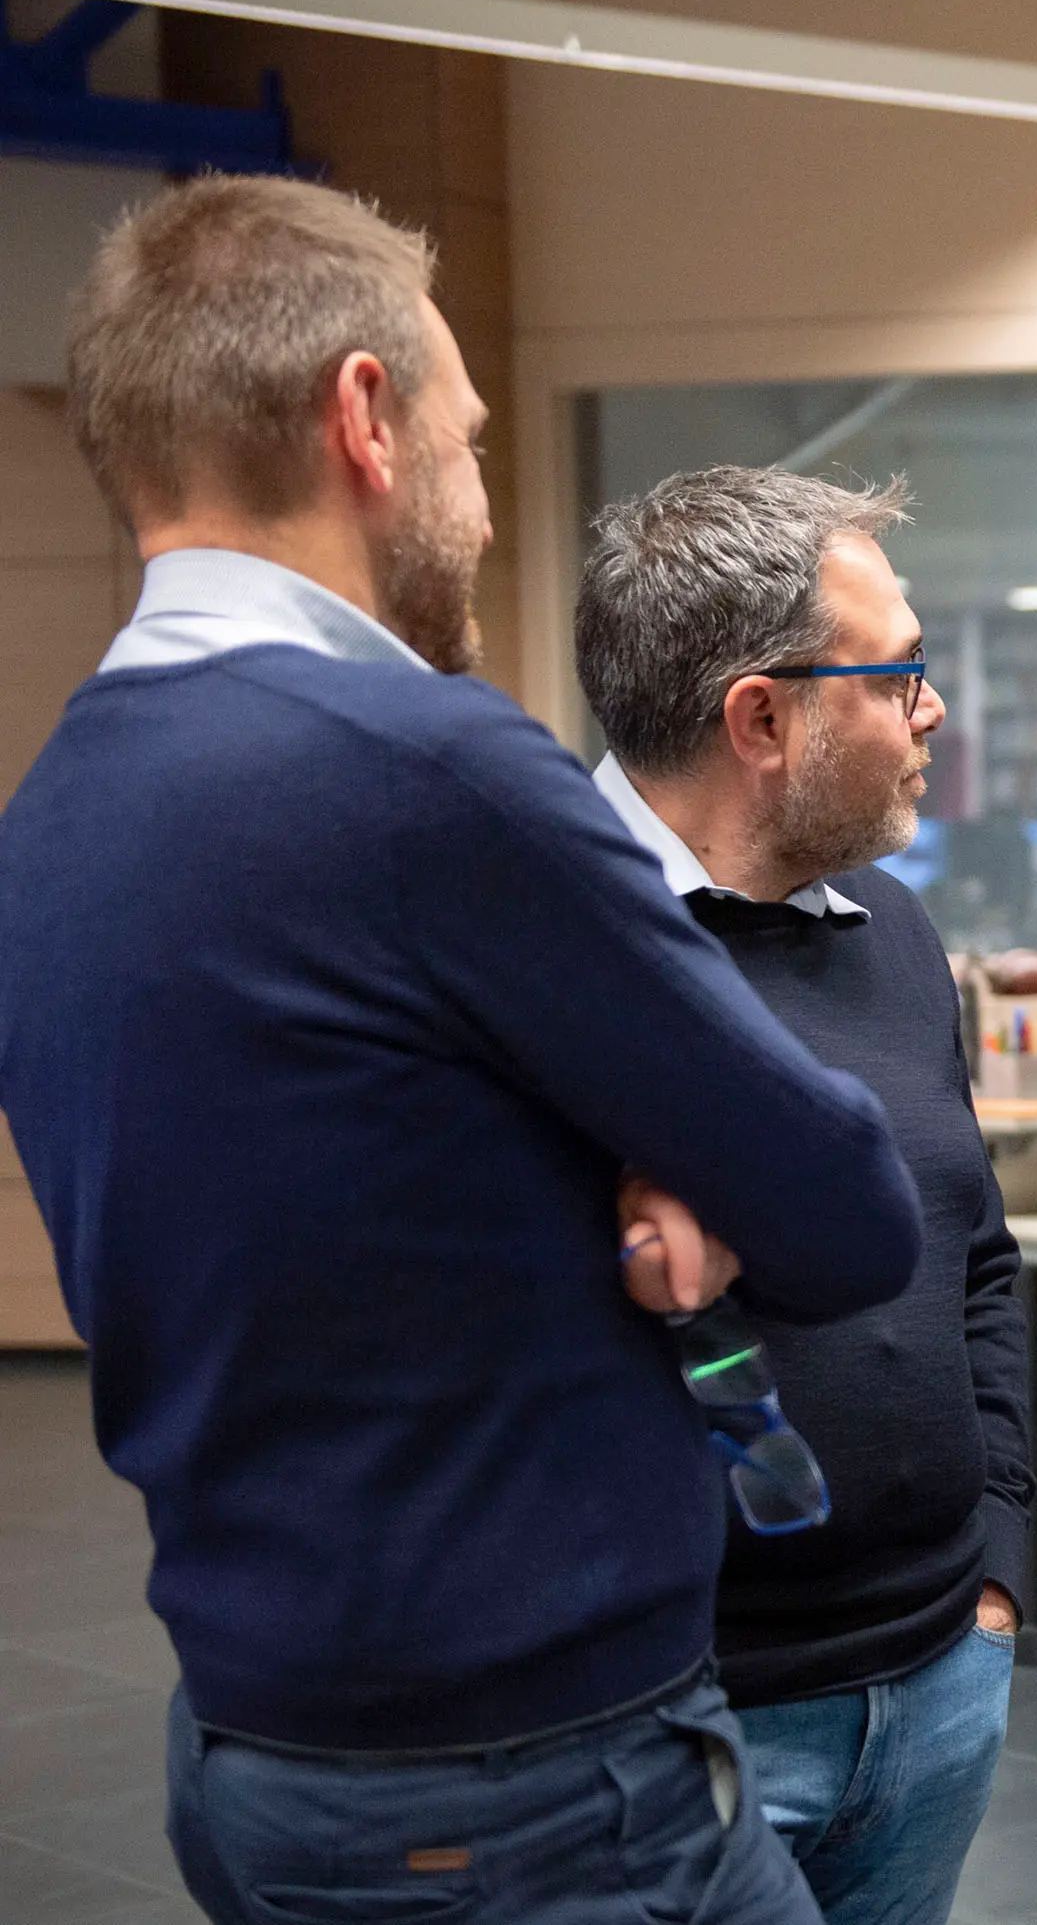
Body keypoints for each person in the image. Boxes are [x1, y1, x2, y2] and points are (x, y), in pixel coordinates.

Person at [0, 176, 922, 1924]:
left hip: (262, 1753)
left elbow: (331, 1201)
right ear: (366, 418)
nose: (486, 508)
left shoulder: (52, 815)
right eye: (473, 443)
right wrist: (664, 1163)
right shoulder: (428, 772)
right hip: (537, 1793)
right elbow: (844, 1214)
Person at [577, 466, 1034, 1925]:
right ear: (762, 720)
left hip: (935, 1680)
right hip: (676, 1724)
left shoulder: (890, 929)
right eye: (898, 674)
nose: (933, 709)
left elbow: (978, 1255)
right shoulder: (545, 949)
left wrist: (998, 1562)